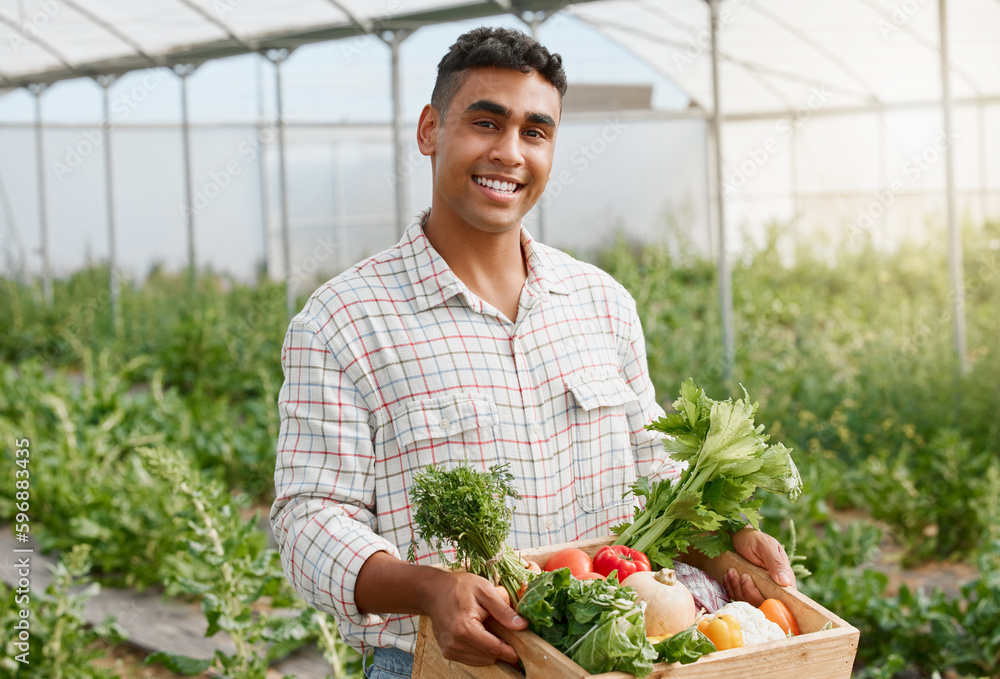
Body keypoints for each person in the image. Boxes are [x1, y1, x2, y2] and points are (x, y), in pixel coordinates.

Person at [270, 26, 795, 679]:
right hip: (442, 664)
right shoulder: (344, 320)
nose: (510, 152)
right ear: (430, 129)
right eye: (486, 122)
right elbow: (309, 517)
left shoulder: (602, 303)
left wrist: (725, 544)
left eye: (535, 131)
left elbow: (652, 471)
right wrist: (430, 588)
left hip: (612, 659)